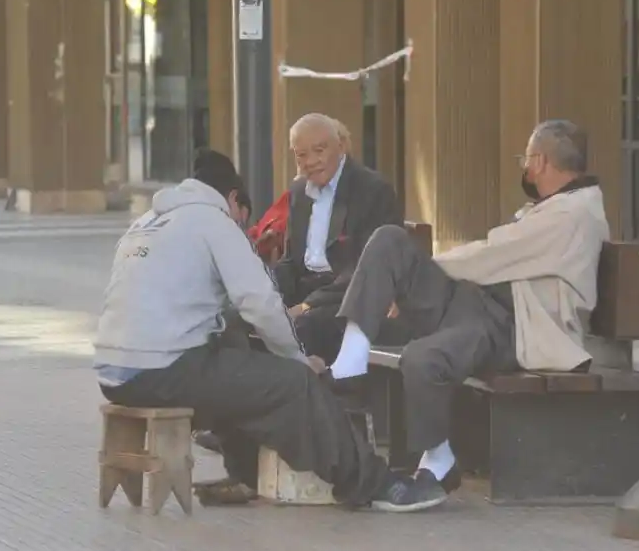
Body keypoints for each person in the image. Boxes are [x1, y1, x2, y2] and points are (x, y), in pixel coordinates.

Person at [93, 148, 445, 513]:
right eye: (244, 219)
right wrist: (297, 361)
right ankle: (377, 486)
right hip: (162, 370)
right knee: (293, 384)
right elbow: (259, 301)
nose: (244, 228)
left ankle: (247, 474)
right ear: (233, 200)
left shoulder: (146, 222)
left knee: (238, 357)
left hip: (114, 373)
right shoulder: (213, 221)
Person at [327, 119, 610, 503]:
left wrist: (421, 270)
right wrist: (405, 275)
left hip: (514, 328)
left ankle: (437, 461)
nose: (523, 168)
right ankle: (350, 360)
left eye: (525, 159)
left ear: (540, 161)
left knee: (422, 359)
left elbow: (494, 252)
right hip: (479, 306)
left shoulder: (573, 214)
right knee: (389, 239)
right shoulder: (558, 206)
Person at [274, 112, 403, 365]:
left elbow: (366, 268)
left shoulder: (373, 190)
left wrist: (308, 305)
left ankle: (309, 390)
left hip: (349, 296)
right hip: (306, 291)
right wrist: (261, 291)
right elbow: (290, 261)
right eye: (301, 154)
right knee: (247, 319)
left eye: (319, 150)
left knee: (301, 328)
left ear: (341, 147)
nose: (310, 161)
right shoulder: (299, 192)